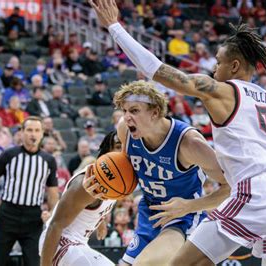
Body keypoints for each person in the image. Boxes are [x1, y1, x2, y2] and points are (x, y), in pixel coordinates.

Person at [89, 1, 266, 265]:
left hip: (256, 190)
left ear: (234, 66)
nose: (214, 70)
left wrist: (114, 28)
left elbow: (158, 71)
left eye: (218, 63)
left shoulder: (221, 90)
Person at [87, 80, 229, 265]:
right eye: (125, 111)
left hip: (181, 217)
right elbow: (123, 175)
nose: (127, 117)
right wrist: (102, 194)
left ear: (155, 112)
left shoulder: (189, 143)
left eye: (135, 110)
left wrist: (189, 206)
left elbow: (232, 186)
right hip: (148, 213)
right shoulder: (125, 130)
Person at [0, 116, 60, 266]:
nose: (33, 134)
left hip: (33, 217)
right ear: (22, 132)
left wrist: (51, 213)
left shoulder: (49, 160)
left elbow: (53, 192)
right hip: (7, 214)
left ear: (42, 133)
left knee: (35, 262)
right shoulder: (9, 154)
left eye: (37, 130)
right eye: (29, 130)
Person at [39, 131, 121, 266]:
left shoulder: (119, 179)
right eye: (118, 146)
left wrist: (101, 223)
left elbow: (92, 205)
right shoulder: (89, 182)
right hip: (60, 241)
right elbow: (55, 225)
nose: (124, 151)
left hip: (79, 242)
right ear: (107, 152)